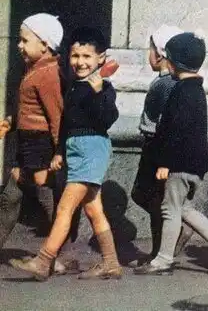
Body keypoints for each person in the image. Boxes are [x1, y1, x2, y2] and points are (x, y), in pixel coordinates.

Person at [12, 26, 121, 281]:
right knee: (93, 210)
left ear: (101, 58)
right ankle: (111, 263)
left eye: (87, 56)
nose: (80, 62)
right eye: (75, 56)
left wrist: (98, 93)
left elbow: (108, 118)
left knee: (64, 208)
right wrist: (60, 152)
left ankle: (43, 260)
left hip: (91, 150)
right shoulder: (75, 87)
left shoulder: (103, 87)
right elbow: (67, 123)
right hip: (76, 150)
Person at [134, 32, 208, 276]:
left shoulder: (181, 91)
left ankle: (163, 259)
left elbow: (174, 131)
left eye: (168, 59)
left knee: (170, 209)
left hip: (178, 163)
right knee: (184, 209)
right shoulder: (196, 90)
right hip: (193, 163)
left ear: (175, 62)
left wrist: (164, 163)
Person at [0, 14, 64, 256]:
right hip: (27, 143)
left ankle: (54, 254)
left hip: (40, 145)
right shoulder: (35, 70)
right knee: (11, 195)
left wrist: (58, 151)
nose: (19, 45)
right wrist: (11, 122)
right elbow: (30, 108)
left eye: (25, 40)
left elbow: (56, 116)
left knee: (43, 193)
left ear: (45, 45)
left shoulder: (48, 74)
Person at [130, 24, 193, 264]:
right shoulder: (174, 83)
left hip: (155, 146)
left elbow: (160, 120)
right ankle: (171, 236)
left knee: (148, 196)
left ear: (159, 54)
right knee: (154, 197)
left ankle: (162, 248)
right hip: (163, 146)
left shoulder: (163, 84)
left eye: (150, 49)